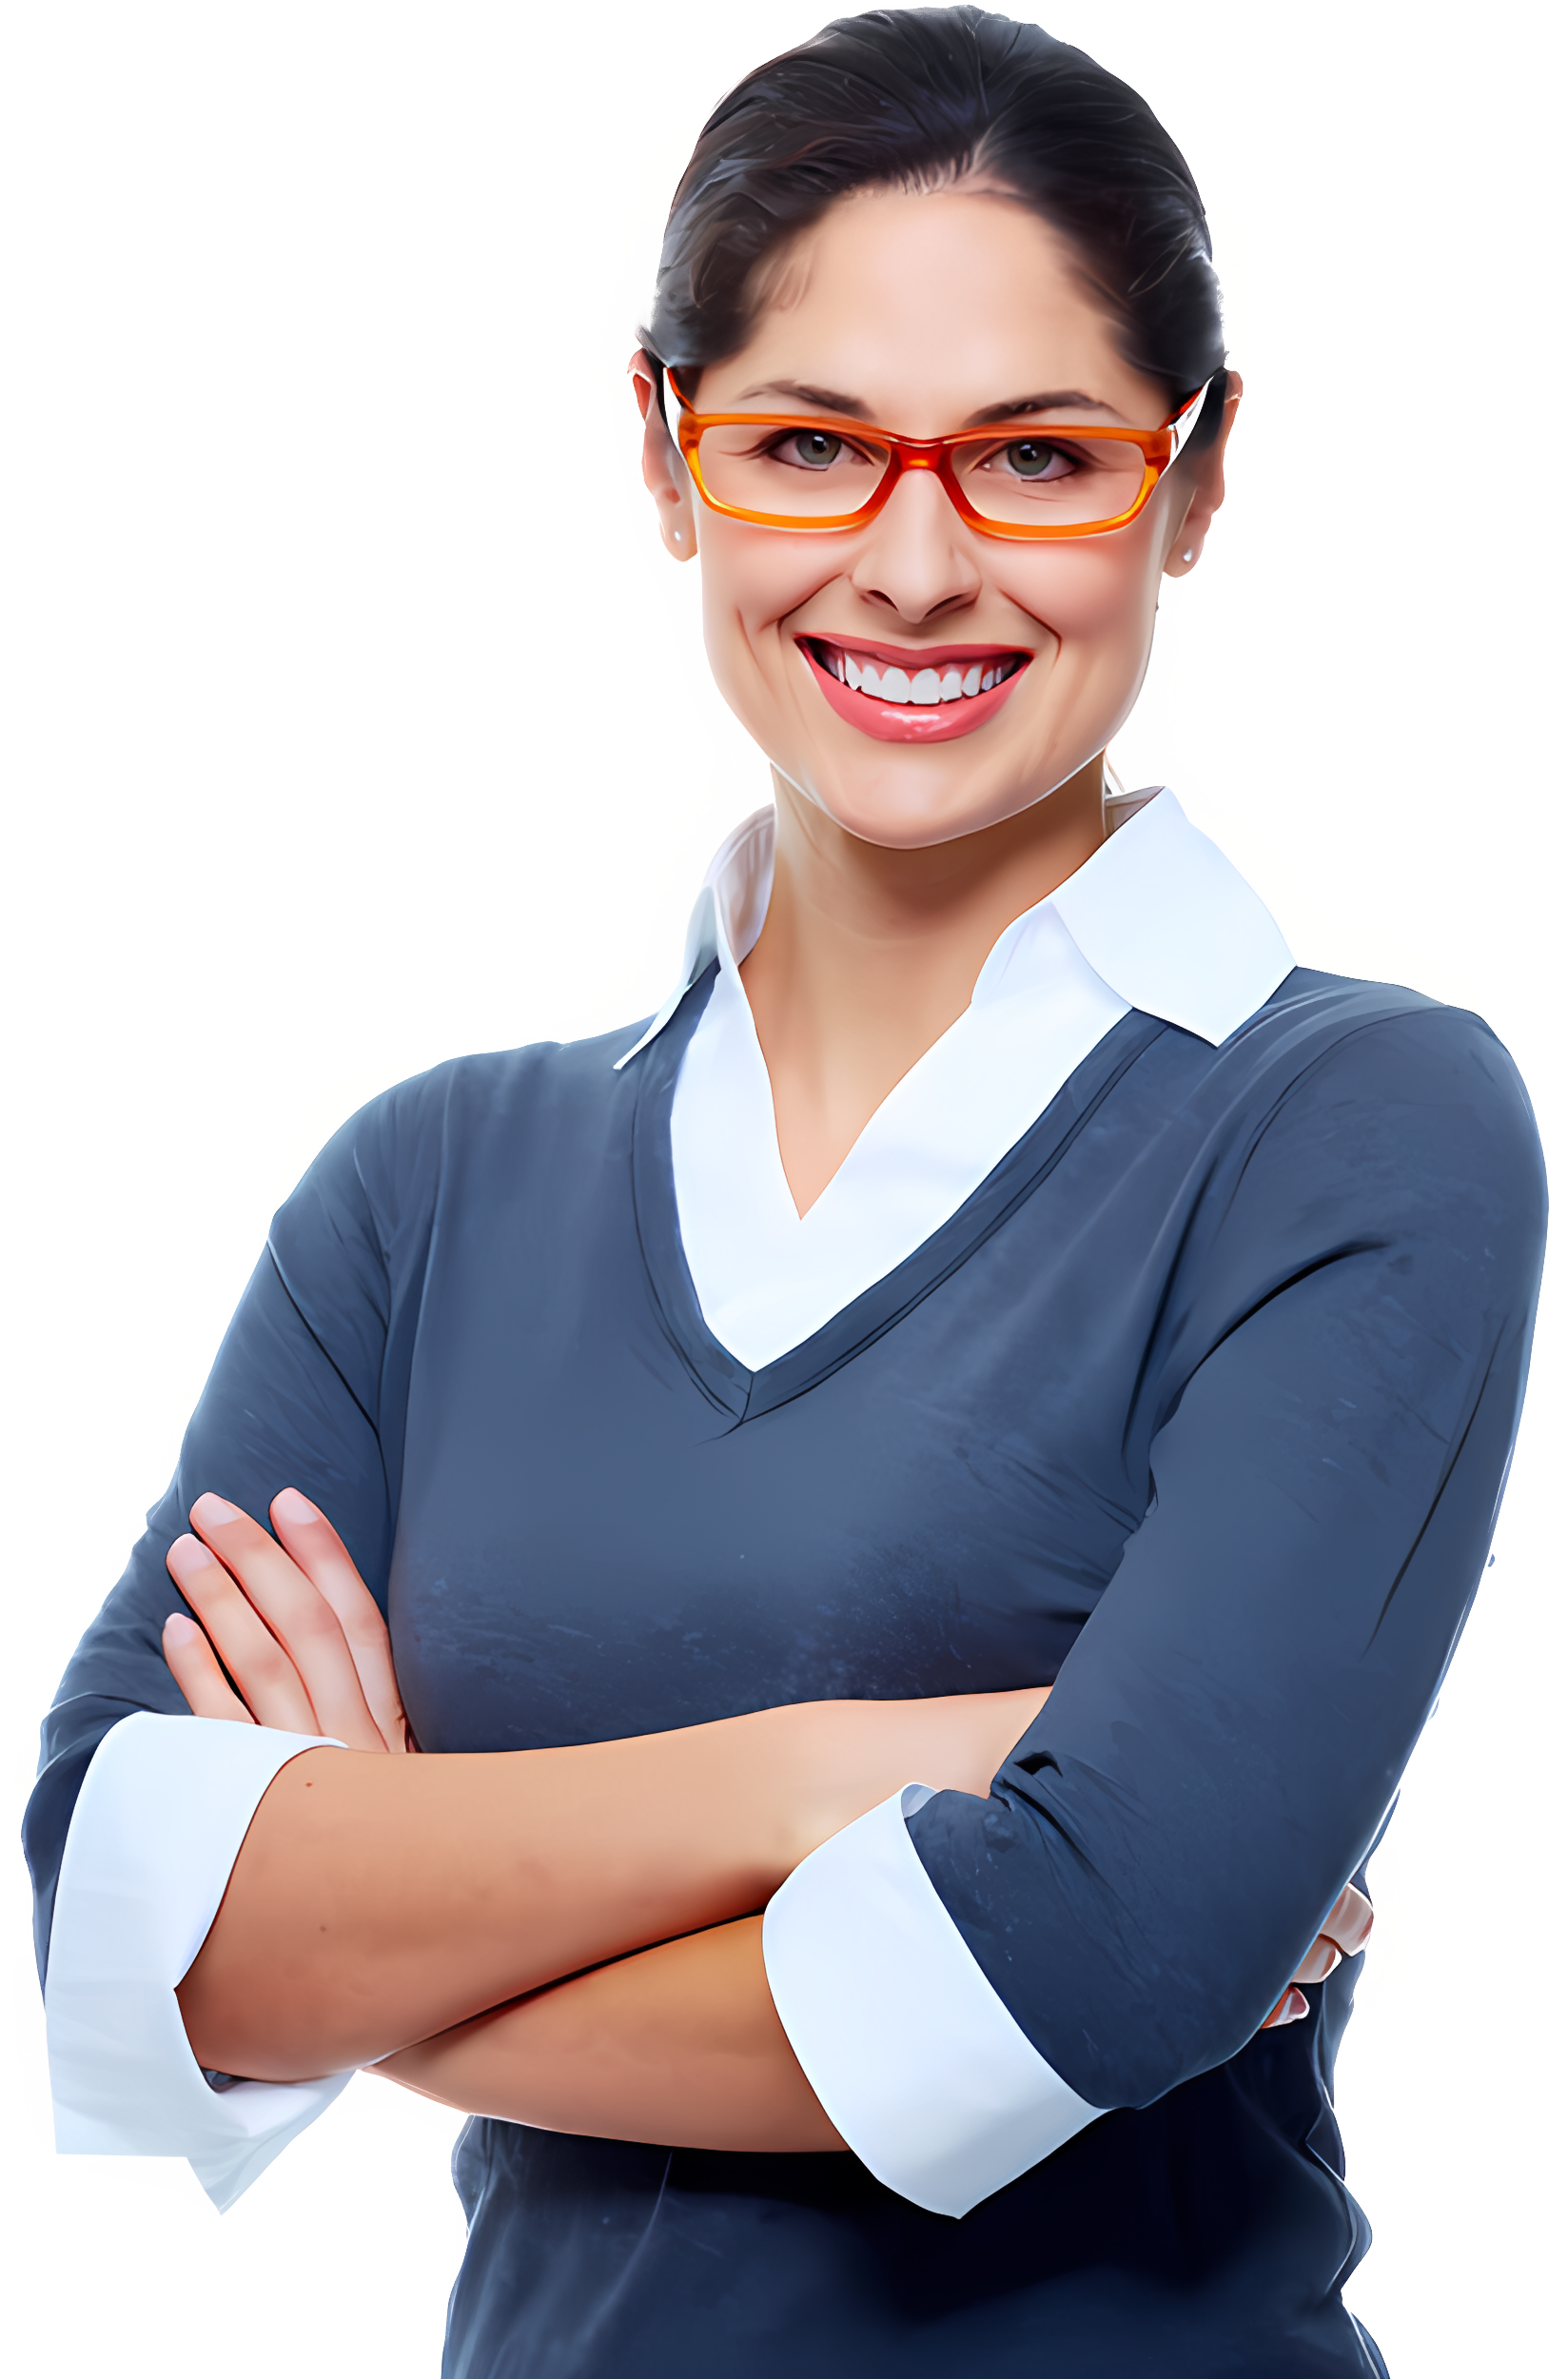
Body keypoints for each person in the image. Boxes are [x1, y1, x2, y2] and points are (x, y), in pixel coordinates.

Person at [23, 10, 1545, 2374]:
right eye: (808, 445)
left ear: (1194, 475)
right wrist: (870, 1769)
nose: (913, 567)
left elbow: (1074, 1972)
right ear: (665, 458)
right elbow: (108, 1922)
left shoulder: (1352, 1126)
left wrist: (378, 1940)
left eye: (1034, 455)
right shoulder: (430, 1190)